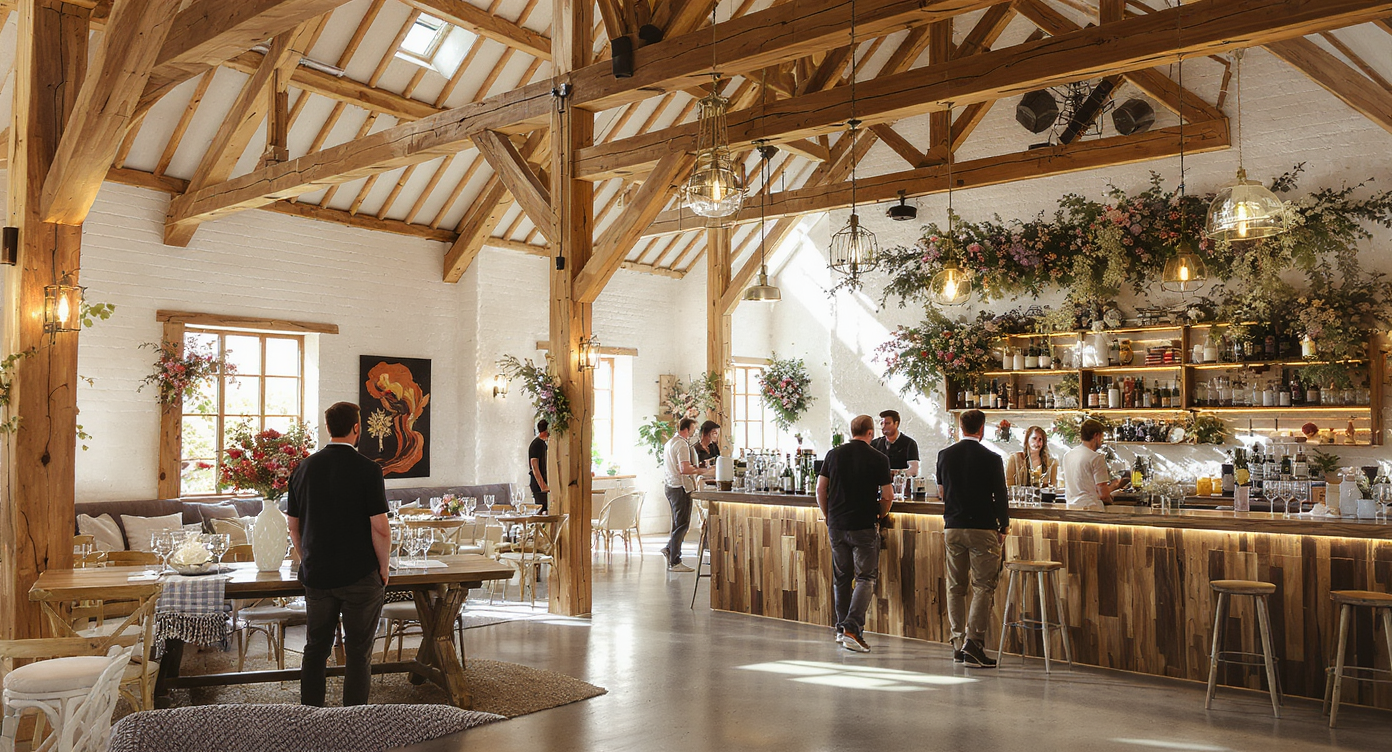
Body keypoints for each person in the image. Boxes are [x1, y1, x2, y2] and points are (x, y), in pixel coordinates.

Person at [287, 402, 390, 706]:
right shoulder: (368, 469)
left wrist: (307, 558)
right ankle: (352, 721)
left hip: (317, 574)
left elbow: (293, 525)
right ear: (357, 428)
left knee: (315, 648)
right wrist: (383, 568)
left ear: (328, 428)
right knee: (359, 652)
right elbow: (380, 529)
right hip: (360, 575)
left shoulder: (303, 468)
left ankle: (310, 716)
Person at [936, 408, 1009, 668]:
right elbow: (1000, 495)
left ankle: (958, 643)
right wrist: (1004, 526)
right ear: (982, 429)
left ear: (960, 426)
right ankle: (973, 643)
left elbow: (942, 492)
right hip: (982, 528)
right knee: (983, 586)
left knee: (955, 586)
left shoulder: (944, 455)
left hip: (952, 527)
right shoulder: (992, 458)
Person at [816, 415, 893, 653]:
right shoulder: (879, 458)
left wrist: (828, 515)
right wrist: (880, 515)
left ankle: (841, 629)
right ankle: (852, 628)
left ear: (852, 431)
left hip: (837, 524)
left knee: (841, 577)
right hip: (863, 525)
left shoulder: (833, 454)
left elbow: (821, 488)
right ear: (870, 433)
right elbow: (888, 495)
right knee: (865, 578)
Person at [662, 417, 712, 572]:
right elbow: (684, 469)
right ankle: (675, 561)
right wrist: (703, 470)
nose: (694, 431)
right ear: (687, 428)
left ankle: (670, 549)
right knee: (682, 525)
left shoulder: (670, 442)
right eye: (693, 428)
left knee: (678, 523)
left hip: (671, 486)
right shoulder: (682, 445)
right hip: (680, 488)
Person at [1061, 419, 1127, 511]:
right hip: (1091, 509)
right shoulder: (1096, 458)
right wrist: (1116, 486)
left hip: (1071, 508)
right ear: (1096, 435)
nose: (1101, 442)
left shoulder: (1068, 455)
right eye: (1101, 438)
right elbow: (1103, 495)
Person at [870, 410, 920, 476]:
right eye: (882, 423)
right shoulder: (875, 443)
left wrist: (894, 473)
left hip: (900, 484)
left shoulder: (909, 443)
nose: (884, 426)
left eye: (887, 423)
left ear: (896, 424)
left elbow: (913, 470)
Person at [528, 420, 550, 512]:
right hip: (538, 486)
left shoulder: (543, 444)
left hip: (543, 484)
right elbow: (534, 466)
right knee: (541, 510)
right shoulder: (536, 444)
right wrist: (543, 486)